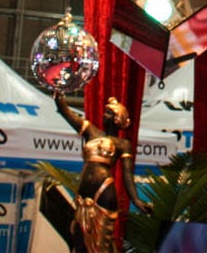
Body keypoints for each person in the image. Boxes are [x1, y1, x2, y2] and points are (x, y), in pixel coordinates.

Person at [54, 92, 152, 253]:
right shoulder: (91, 131)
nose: (103, 115)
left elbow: (127, 175)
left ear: (117, 119)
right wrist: (59, 100)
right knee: (79, 237)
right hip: (84, 193)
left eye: (108, 113)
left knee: (100, 242)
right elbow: (68, 115)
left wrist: (136, 200)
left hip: (104, 190)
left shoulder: (123, 144)